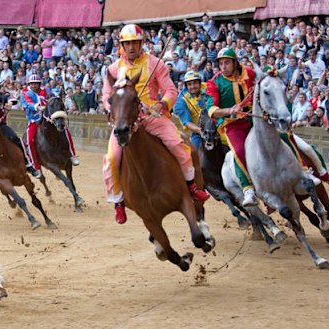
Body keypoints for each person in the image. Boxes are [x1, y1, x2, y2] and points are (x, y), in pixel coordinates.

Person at [103, 24, 210, 225]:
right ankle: (118, 201)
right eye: (128, 43)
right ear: (122, 46)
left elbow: (170, 90)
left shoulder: (155, 63)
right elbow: (107, 95)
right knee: (111, 158)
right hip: (125, 119)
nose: (132, 47)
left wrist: (163, 103)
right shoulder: (113, 68)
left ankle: (191, 187)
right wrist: (111, 111)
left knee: (178, 144)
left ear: (141, 43)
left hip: (153, 116)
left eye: (135, 42)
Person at [206, 47, 259, 207]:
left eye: (227, 62)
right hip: (232, 124)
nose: (223, 66)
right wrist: (229, 110)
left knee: (282, 135)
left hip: (254, 118)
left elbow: (263, 80)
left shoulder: (249, 72)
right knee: (239, 151)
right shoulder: (214, 82)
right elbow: (211, 110)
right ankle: (248, 189)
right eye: (221, 63)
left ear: (235, 63)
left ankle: (311, 171)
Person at [21, 74, 80, 179]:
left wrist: (57, 97)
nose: (35, 86)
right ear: (29, 85)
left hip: (49, 118)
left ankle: (72, 155)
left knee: (65, 130)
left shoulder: (45, 90)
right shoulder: (25, 93)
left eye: (36, 84)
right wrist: (38, 107)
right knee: (29, 141)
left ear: (39, 84)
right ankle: (36, 166)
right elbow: (28, 104)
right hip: (34, 121)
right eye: (32, 84)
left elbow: (53, 96)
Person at [174, 71, 206, 149]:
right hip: (198, 132)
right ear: (186, 86)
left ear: (200, 83)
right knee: (194, 154)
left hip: (218, 126)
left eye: (195, 83)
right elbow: (187, 123)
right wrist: (201, 131)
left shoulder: (209, 87)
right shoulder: (181, 101)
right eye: (189, 84)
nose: (192, 86)